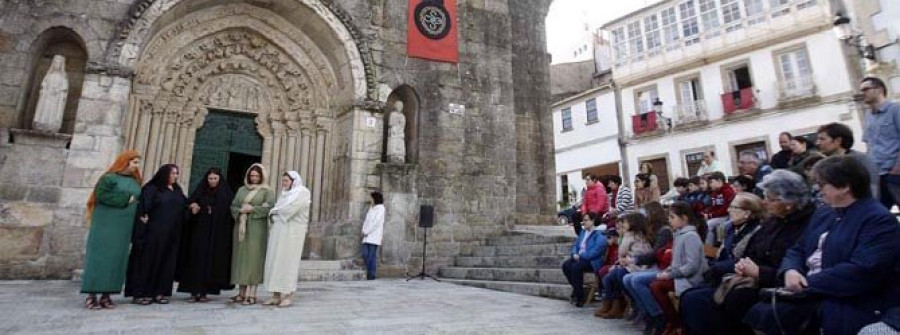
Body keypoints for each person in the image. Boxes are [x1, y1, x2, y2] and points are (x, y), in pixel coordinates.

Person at [744, 156, 900, 335]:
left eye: (822, 184)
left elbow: (863, 269)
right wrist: (790, 270)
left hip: (848, 296)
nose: (818, 189)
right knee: (759, 310)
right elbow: (798, 248)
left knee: (774, 314)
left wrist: (806, 283)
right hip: (811, 289)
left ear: (844, 187)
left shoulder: (878, 219)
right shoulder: (824, 213)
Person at [679, 192, 768, 335]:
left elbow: (749, 260)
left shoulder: (757, 231)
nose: (728, 210)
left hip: (739, 279)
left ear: (747, 213)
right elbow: (721, 253)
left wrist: (717, 267)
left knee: (695, 299)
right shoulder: (731, 229)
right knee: (688, 294)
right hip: (722, 276)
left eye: (733, 207)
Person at [80, 150, 143, 310]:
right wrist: (124, 200)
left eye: (137, 163)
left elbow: (138, 200)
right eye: (134, 162)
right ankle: (92, 295)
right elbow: (101, 195)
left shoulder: (135, 181)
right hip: (106, 224)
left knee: (117, 259)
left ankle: (107, 295)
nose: (136, 166)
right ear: (125, 162)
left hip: (124, 227)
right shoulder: (109, 178)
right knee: (100, 257)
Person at [125, 164, 187, 305]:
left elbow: (184, 206)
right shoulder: (151, 189)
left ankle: (159, 292)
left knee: (166, 262)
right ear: (164, 174)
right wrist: (143, 223)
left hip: (171, 234)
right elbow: (143, 209)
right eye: (172, 173)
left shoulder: (177, 190)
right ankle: (140, 293)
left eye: (177, 173)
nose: (175, 176)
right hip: (153, 233)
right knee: (146, 263)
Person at [176, 168, 235, 302]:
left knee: (210, 261)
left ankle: (204, 292)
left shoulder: (225, 193)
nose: (212, 181)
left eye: (215, 179)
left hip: (216, 234)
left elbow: (229, 212)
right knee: (195, 259)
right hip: (199, 232)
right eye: (210, 178)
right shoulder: (200, 190)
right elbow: (190, 202)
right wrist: (193, 205)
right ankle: (193, 290)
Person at [649, 202, 708, 335]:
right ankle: (672, 321)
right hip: (679, 275)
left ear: (684, 218)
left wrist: (669, 275)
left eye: (672, 217)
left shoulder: (691, 236)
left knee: (656, 286)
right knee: (654, 283)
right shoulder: (679, 234)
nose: (669, 220)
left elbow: (691, 266)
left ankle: (676, 323)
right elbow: (676, 261)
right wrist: (668, 270)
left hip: (690, 279)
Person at [621, 202, 673, 332]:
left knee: (635, 280)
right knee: (626, 278)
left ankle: (656, 315)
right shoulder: (651, 230)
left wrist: (634, 260)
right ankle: (645, 311)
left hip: (663, 266)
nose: (643, 215)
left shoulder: (664, 231)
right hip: (654, 264)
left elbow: (654, 255)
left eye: (646, 212)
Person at [263, 171, 311, 307]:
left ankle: (289, 295)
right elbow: (276, 210)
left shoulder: (302, 192)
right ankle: (276, 295)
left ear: (293, 180)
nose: (283, 183)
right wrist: (275, 212)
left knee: (288, 262)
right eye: (282, 181)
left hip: (293, 233)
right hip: (279, 232)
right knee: (275, 261)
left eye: (286, 181)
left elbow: (289, 211)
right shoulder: (284, 194)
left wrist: (275, 212)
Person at [229, 163, 276, 306]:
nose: (254, 178)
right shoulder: (242, 190)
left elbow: (270, 208)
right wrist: (240, 211)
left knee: (254, 258)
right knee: (241, 258)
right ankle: (241, 292)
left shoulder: (267, 191)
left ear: (262, 176)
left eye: (257, 176)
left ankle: (252, 294)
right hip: (241, 228)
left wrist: (252, 209)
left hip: (257, 229)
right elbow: (233, 205)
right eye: (252, 175)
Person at [596, 213, 653, 319]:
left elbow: (622, 251)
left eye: (625, 222)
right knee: (609, 276)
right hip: (639, 264)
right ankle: (611, 305)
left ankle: (618, 305)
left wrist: (622, 239)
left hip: (635, 265)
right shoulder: (641, 235)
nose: (623, 225)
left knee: (613, 275)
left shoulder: (629, 235)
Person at [860, 77, 900, 209]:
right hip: (877, 175)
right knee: (879, 213)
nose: (862, 93)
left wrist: (897, 167)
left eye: (866, 89)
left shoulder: (895, 110)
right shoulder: (868, 116)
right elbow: (869, 144)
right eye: (861, 90)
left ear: (880, 90)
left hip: (894, 172)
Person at [816, 122, 879, 199]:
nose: (817, 143)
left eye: (822, 139)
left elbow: (873, 189)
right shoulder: (824, 164)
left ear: (838, 141)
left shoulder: (861, 160)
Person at [562, 211, 608, 307]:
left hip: (592, 261)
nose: (584, 222)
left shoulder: (600, 234)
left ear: (593, 221)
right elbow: (576, 245)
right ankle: (577, 290)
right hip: (579, 258)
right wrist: (574, 253)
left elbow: (596, 251)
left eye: (586, 220)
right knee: (566, 265)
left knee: (576, 267)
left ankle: (579, 296)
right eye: (583, 220)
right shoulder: (583, 232)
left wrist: (581, 256)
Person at [702, 172, 736, 246]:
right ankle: (709, 250)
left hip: (728, 216)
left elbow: (726, 208)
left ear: (719, 181)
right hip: (719, 216)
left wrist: (711, 215)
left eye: (711, 182)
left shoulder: (728, 191)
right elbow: (713, 207)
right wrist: (706, 213)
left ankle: (710, 251)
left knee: (710, 225)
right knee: (704, 224)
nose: (709, 185)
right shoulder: (715, 193)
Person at [360, 191, 385, 280]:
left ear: (375, 198)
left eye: (371, 198)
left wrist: (367, 231)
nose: (370, 200)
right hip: (367, 235)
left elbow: (376, 223)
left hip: (374, 235)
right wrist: (363, 230)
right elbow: (367, 220)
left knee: (371, 256)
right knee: (365, 254)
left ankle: (371, 275)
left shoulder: (381, 209)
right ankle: (371, 272)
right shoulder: (371, 208)